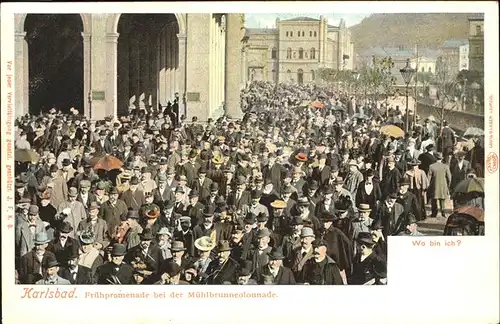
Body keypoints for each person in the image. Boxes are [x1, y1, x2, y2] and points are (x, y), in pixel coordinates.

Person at [428, 152, 452, 218]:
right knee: (442, 199)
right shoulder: (446, 166)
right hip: (443, 185)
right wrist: (448, 185)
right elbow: (449, 178)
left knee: (434, 200)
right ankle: (443, 212)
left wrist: (428, 186)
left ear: (435, 158)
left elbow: (428, 178)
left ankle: (434, 213)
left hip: (434, 185)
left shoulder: (431, 166)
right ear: (441, 159)